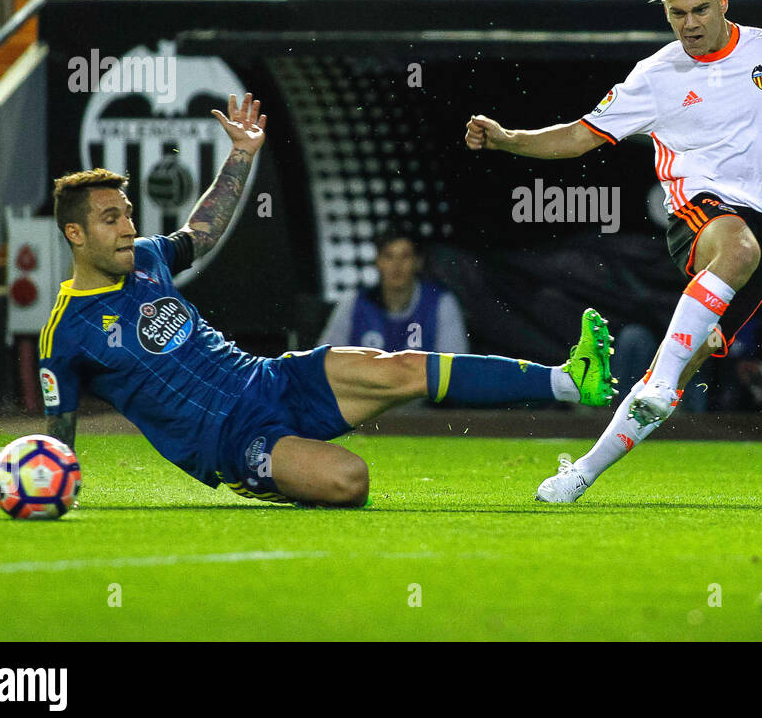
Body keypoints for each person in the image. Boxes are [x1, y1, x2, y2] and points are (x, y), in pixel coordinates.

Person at [465, 0, 762, 502]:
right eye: (677, 14)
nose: (690, 24)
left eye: (700, 10)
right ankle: (656, 380)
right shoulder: (656, 76)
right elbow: (580, 135)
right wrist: (511, 138)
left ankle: (581, 472)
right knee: (735, 251)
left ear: (724, 1)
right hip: (701, 218)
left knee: (683, 366)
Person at [41, 94, 616, 508]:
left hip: (270, 379)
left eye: (127, 214)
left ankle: (571, 380)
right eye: (110, 218)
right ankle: (288, 469)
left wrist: (242, 154)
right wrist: (52, 480)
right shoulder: (66, 332)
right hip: (233, 441)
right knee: (350, 481)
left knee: (404, 369)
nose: (126, 226)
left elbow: (204, 229)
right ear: (75, 234)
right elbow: (58, 431)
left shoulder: (147, 259)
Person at [320, 226, 469, 353]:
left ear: (418, 262)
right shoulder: (354, 302)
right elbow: (324, 361)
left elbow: (454, 370)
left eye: (405, 256)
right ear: (378, 261)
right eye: (389, 256)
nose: (396, 266)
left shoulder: (441, 302)